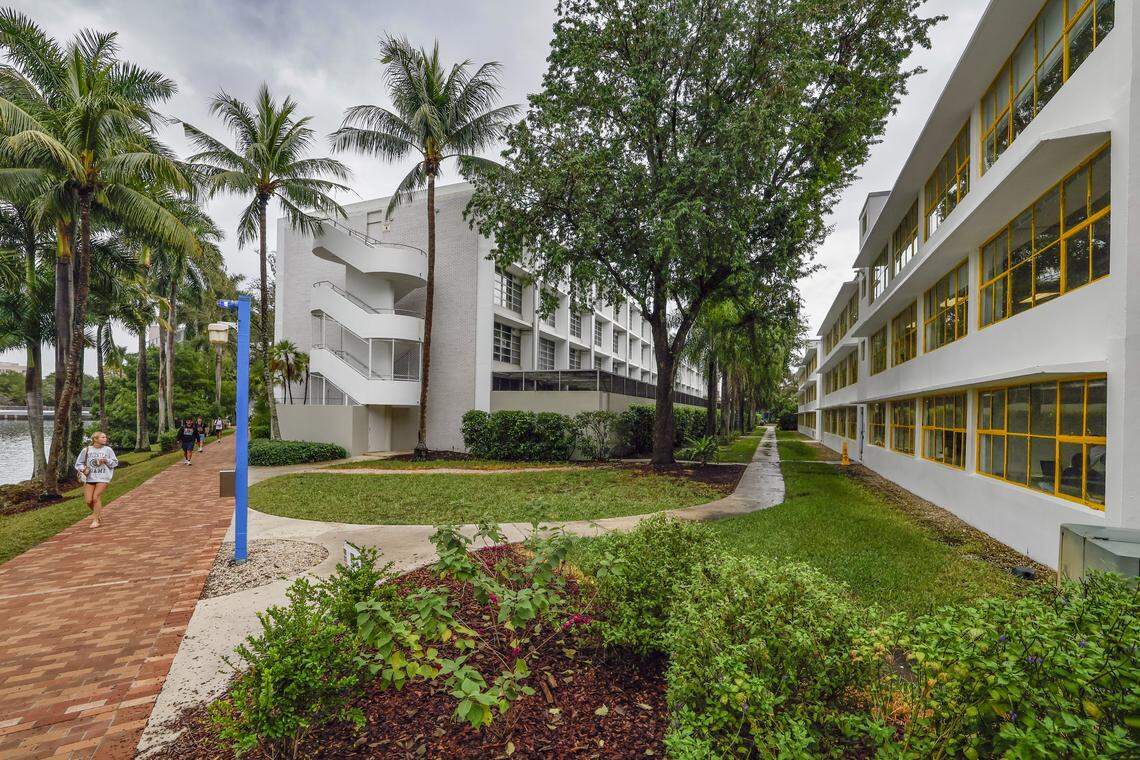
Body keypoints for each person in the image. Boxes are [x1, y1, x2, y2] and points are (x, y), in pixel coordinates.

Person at [75, 431, 119, 528]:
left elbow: (115, 463)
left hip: (103, 477)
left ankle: (95, 520)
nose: (105, 439)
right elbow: (78, 463)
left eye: (105, 437)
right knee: (88, 501)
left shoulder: (108, 450)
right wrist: (83, 469)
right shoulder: (86, 450)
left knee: (96, 497)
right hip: (89, 478)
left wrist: (106, 460)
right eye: (102, 437)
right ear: (95, 439)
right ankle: (97, 515)